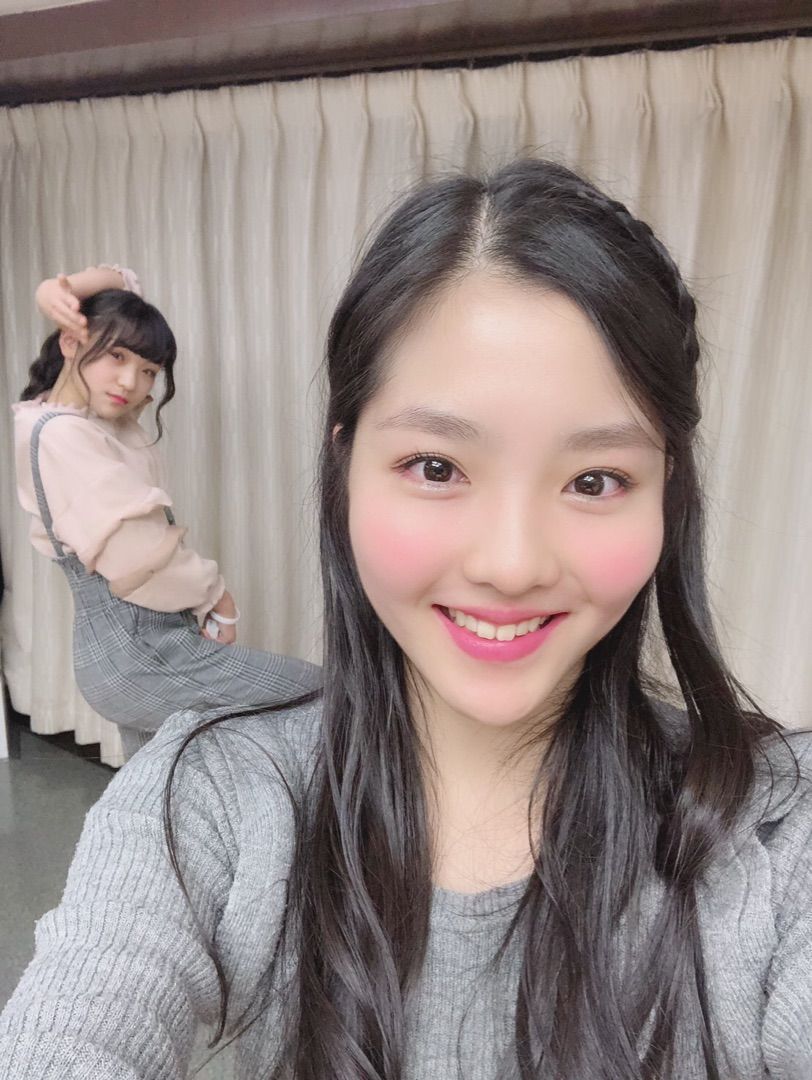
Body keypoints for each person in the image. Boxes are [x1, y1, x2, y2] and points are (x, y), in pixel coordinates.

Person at [1, 159, 811, 1079]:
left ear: (670, 491)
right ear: (343, 465)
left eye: (596, 480)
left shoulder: (776, 828)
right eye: (436, 467)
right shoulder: (214, 798)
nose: (511, 564)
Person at [12, 266, 319, 758]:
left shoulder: (65, 419)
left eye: (149, 371)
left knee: (161, 776)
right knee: (322, 694)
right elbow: (137, 558)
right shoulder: (64, 435)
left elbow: (123, 282)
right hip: (141, 652)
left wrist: (59, 289)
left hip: (124, 654)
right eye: (116, 356)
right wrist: (216, 594)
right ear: (70, 342)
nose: (131, 382)